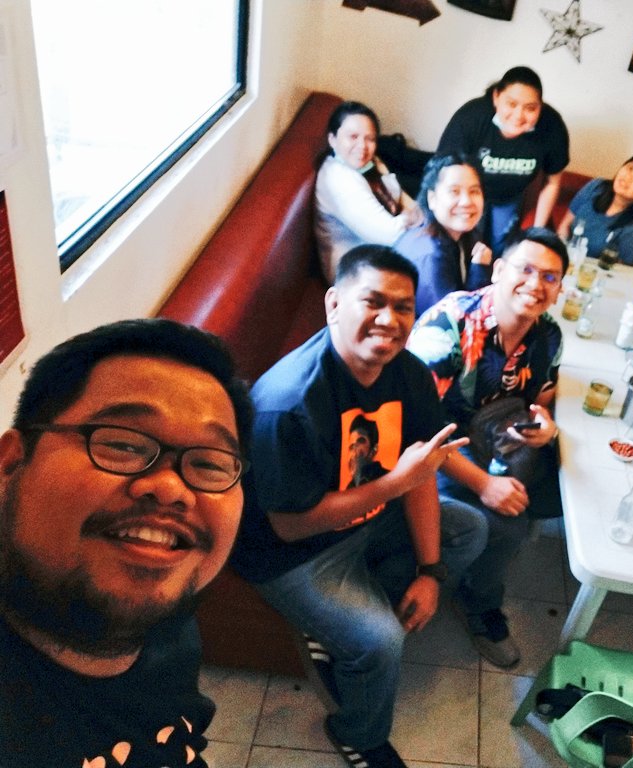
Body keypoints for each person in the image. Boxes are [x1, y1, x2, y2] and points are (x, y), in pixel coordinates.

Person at [228, 245, 487, 768]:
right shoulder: (288, 402)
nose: (389, 320)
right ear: (333, 305)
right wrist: (396, 484)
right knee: (380, 642)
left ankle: (342, 623)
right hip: (293, 554)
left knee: (469, 528)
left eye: (404, 307)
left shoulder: (409, 375)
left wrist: (430, 572)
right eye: (373, 302)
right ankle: (357, 735)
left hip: (366, 520)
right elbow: (291, 527)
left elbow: (419, 476)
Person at [0, 318, 252, 767]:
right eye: (123, 444)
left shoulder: (166, 618)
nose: (171, 488)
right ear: (10, 463)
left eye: (210, 464)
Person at [407, 227, 566, 668]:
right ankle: (478, 602)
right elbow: (417, 430)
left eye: (549, 277)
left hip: (495, 433)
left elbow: (542, 392)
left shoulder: (549, 333)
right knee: (509, 523)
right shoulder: (448, 326)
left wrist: (544, 421)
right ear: (497, 271)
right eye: (525, 269)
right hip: (433, 445)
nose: (535, 284)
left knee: (560, 493)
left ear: (559, 289)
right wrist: (483, 484)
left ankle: (482, 562)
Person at [436, 66, 570, 253]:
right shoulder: (472, 117)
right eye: (512, 104)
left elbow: (552, 182)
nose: (518, 115)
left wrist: (536, 233)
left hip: (509, 197)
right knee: (465, 247)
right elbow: (442, 171)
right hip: (469, 193)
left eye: (530, 108)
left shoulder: (552, 126)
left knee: (501, 249)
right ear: (496, 97)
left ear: (540, 107)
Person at [315, 101, 423, 282]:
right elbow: (391, 235)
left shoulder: (368, 163)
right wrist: (417, 217)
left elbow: (400, 198)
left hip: (381, 254)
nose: (362, 146)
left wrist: (420, 214)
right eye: (353, 137)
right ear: (332, 139)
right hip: (355, 274)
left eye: (370, 139)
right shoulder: (338, 180)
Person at [393, 153, 493, 316]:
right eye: (454, 191)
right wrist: (479, 271)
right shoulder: (430, 254)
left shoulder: (461, 235)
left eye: (474, 191)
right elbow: (451, 322)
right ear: (432, 199)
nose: (466, 201)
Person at [557, 151, 633, 266]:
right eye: (630, 168)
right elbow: (564, 226)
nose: (628, 177)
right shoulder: (596, 186)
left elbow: (618, 270)